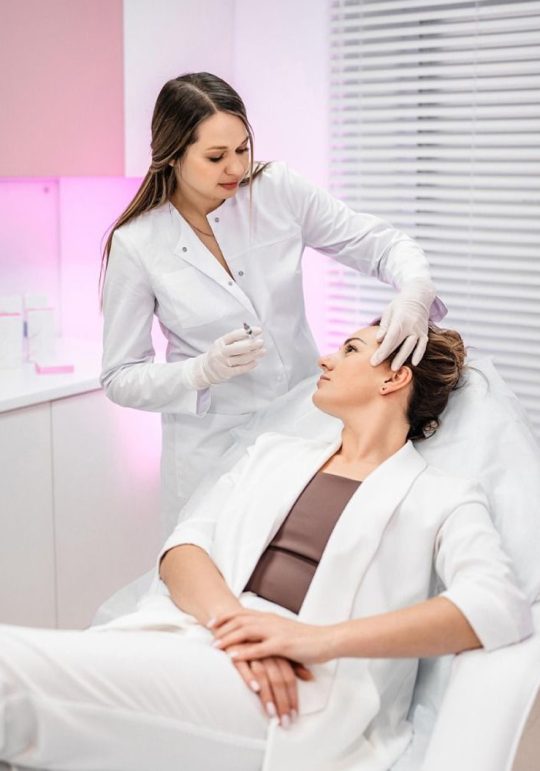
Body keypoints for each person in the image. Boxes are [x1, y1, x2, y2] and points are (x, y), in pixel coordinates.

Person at [0, 323, 531, 771]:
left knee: (14, 674)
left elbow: (495, 604)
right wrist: (237, 627)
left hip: (297, 695)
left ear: (394, 377)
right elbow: (184, 548)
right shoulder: (273, 454)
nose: (326, 358)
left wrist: (312, 641)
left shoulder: (443, 497)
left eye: (350, 349)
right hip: (202, 637)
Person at [99, 71, 446, 537]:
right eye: (216, 157)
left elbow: (380, 245)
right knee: (211, 559)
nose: (236, 168)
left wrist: (415, 291)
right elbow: (120, 376)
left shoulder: (276, 190)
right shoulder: (138, 243)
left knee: (295, 559)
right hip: (211, 447)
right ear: (173, 154)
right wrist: (199, 372)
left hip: (303, 425)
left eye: (243, 149)